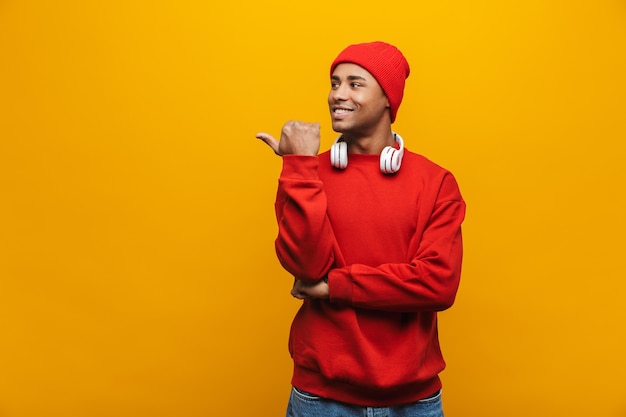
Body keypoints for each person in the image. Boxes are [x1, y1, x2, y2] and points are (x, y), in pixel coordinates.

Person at [256, 41, 466, 417]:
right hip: (320, 398)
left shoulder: (436, 182)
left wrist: (333, 287)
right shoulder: (306, 171)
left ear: (389, 98)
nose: (338, 94)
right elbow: (307, 267)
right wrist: (299, 165)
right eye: (334, 83)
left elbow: (438, 283)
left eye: (355, 84)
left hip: (413, 401)